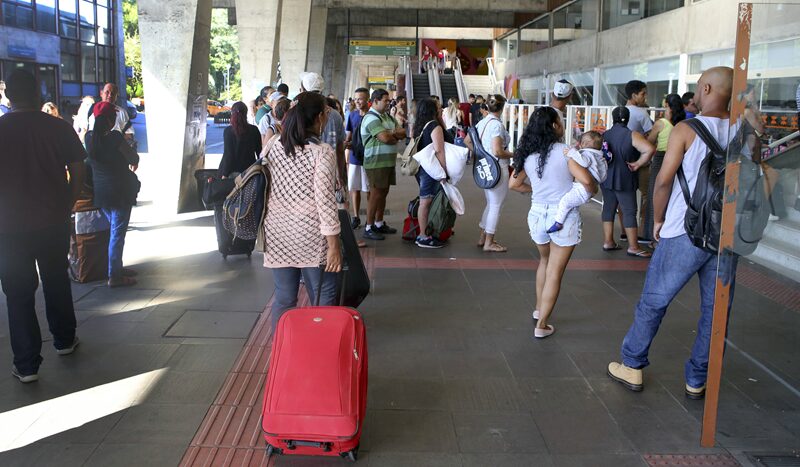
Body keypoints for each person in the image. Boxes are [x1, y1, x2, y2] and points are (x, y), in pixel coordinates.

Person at [607, 67, 740, 399]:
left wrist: (658, 219)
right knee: (716, 311)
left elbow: (664, 181)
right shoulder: (744, 130)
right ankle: (697, 378)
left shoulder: (686, 130)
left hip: (684, 228)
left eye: (698, 86)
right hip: (726, 233)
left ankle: (632, 364)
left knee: (655, 299)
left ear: (706, 88)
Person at [0, 70, 87, 383]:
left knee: (18, 292)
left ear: (8, 95)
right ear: (38, 93)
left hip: (8, 227)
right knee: (55, 279)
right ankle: (64, 340)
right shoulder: (58, 127)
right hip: (52, 219)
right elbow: (78, 169)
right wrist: (68, 202)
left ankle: (26, 365)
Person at [509, 107, 595, 339]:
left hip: (537, 214)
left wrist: (535, 190)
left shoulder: (528, 155)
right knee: (555, 272)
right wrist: (591, 189)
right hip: (562, 217)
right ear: (555, 126)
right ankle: (542, 325)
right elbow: (587, 181)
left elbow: (513, 184)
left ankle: (539, 309)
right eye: (561, 121)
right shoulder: (566, 152)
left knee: (544, 262)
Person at [262, 92, 342, 328]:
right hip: (311, 235)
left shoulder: (274, 145)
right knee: (323, 294)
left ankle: (281, 346)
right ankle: (319, 343)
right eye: (326, 113)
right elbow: (325, 201)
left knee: (284, 298)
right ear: (319, 117)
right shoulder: (321, 152)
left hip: (277, 232)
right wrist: (334, 246)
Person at [86, 102, 140, 288]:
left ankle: (116, 267)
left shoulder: (89, 138)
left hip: (101, 195)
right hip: (120, 193)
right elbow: (133, 158)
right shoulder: (115, 138)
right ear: (111, 119)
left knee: (114, 232)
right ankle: (114, 276)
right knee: (117, 235)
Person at [601, 106, 655, 257]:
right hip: (625, 178)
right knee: (629, 211)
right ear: (628, 118)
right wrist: (638, 163)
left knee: (608, 209)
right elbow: (650, 149)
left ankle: (608, 242)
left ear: (613, 118)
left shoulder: (605, 134)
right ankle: (633, 247)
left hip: (606, 177)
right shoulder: (632, 135)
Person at [465, 94, 513, 252]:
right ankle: (489, 242)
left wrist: (481, 155)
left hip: (487, 168)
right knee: (496, 205)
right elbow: (498, 151)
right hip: (498, 168)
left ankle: (483, 237)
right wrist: (515, 154)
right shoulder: (497, 125)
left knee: (491, 203)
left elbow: (467, 141)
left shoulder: (482, 122)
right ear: (502, 108)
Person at [360, 89, 406, 241]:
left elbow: (403, 132)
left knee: (383, 193)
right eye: (385, 101)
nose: (388, 103)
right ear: (375, 101)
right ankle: (369, 226)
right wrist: (392, 134)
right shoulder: (371, 118)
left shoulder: (387, 117)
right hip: (375, 163)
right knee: (375, 194)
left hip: (387, 162)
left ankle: (379, 223)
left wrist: (390, 133)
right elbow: (386, 138)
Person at [547, 131, 608, 233]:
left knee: (564, 202)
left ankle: (558, 223)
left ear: (584, 144)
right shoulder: (600, 158)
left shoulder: (587, 154)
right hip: (587, 188)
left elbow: (584, 162)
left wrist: (572, 153)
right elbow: (604, 176)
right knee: (570, 203)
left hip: (582, 188)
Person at [645, 94, 686, 244]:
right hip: (677, 160)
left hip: (661, 159)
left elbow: (649, 142)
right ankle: (666, 233)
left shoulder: (661, 123)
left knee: (655, 195)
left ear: (667, 105)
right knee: (670, 197)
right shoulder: (682, 124)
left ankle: (653, 236)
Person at [299, 72, 346, 189]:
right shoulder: (335, 115)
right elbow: (340, 149)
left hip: (300, 170)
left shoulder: (297, 112)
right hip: (327, 170)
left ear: (303, 90)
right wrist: (340, 175)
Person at [413, 98, 449, 249]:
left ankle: (427, 230)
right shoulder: (434, 126)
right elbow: (439, 150)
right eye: (438, 107)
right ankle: (422, 236)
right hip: (431, 169)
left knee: (427, 200)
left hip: (421, 168)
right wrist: (443, 171)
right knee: (426, 201)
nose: (441, 108)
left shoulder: (419, 125)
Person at [625, 80, 654, 240]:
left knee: (624, 196)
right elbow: (652, 135)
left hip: (623, 161)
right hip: (641, 161)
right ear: (634, 95)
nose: (645, 97)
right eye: (643, 94)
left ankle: (625, 232)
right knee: (647, 195)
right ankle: (643, 231)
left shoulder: (619, 111)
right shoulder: (641, 113)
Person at [345, 88, 370, 230]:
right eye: (356, 99)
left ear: (367, 100)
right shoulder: (352, 115)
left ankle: (370, 219)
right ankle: (356, 216)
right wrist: (346, 145)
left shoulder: (372, 116)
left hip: (369, 157)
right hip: (355, 157)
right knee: (355, 188)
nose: (357, 101)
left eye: (360, 99)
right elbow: (349, 135)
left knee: (369, 189)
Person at [219, 101, 262, 177]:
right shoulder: (254, 130)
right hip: (250, 172)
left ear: (232, 113)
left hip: (231, 172)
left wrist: (224, 174)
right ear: (246, 113)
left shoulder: (228, 131)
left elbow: (228, 155)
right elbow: (259, 152)